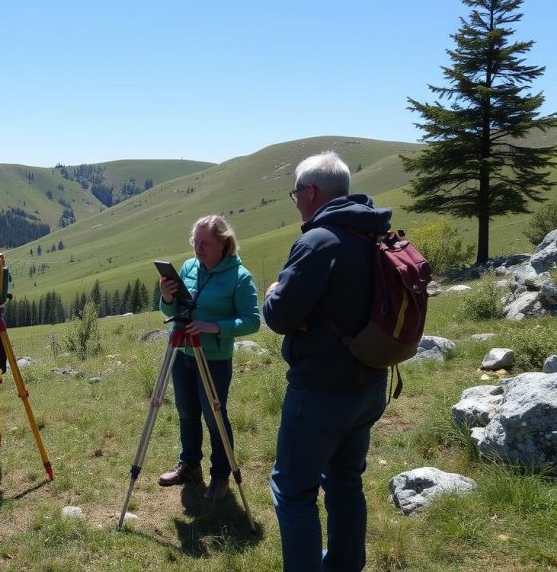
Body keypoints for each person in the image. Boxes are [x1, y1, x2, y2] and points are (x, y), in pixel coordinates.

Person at [263, 151, 392, 571]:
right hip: (371, 382)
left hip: (320, 389)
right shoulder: (374, 233)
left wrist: (272, 293)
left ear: (312, 191)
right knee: (345, 482)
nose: (295, 200)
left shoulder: (318, 241)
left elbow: (280, 317)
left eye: (296, 192)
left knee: (293, 490)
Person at [158, 214, 260, 500]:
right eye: (195, 242)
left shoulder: (240, 277)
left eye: (205, 243)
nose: (197, 249)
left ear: (223, 243)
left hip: (214, 357)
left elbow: (252, 321)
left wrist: (215, 327)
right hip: (183, 351)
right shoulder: (189, 267)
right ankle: (190, 466)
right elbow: (171, 312)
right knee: (186, 411)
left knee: (214, 416)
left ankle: (220, 476)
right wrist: (167, 298)